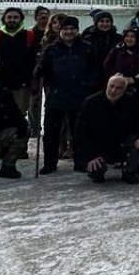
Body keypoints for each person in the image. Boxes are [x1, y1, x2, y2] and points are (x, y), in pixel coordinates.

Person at [38, 16, 100, 175]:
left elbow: (95, 70)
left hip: (79, 96)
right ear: (60, 30)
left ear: (77, 30)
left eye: (72, 28)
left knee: (79, 132)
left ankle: (80, 162)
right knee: (51, 133)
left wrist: (88, 85)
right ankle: (49, 163)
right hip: (56, 96)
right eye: (65, 29)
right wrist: (39, 71)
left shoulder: (86, 48)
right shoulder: (51, 49)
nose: (69, 32)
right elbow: (42, 70)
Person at [76, 74, 139, 184]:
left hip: (119, 143)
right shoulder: (90, 102)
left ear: (124, 90)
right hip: (97, 146)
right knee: (96, 170)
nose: (114, 91)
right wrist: (91, 156)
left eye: (119, 88)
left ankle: (129, 172)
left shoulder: (130, 101)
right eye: (111, 86)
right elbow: (80, 132)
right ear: (107, 85)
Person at [0, 7, 39, 159]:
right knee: (1, 116)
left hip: (22, 85)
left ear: (21, 19)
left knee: (19, 117)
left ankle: (19, 148)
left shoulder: (30, 36)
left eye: (15, 17)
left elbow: (35, 60)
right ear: (4, 19)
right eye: (9, 17)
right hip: (1, 85)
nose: (12, 20)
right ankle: (2, 147)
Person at [104, 26, 139, 106]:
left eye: (132, 37)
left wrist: (135, 79)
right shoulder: (118, 48)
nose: (129, 39)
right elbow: (107, 65)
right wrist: (115, 75)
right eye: (127, 36)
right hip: (119, 85)